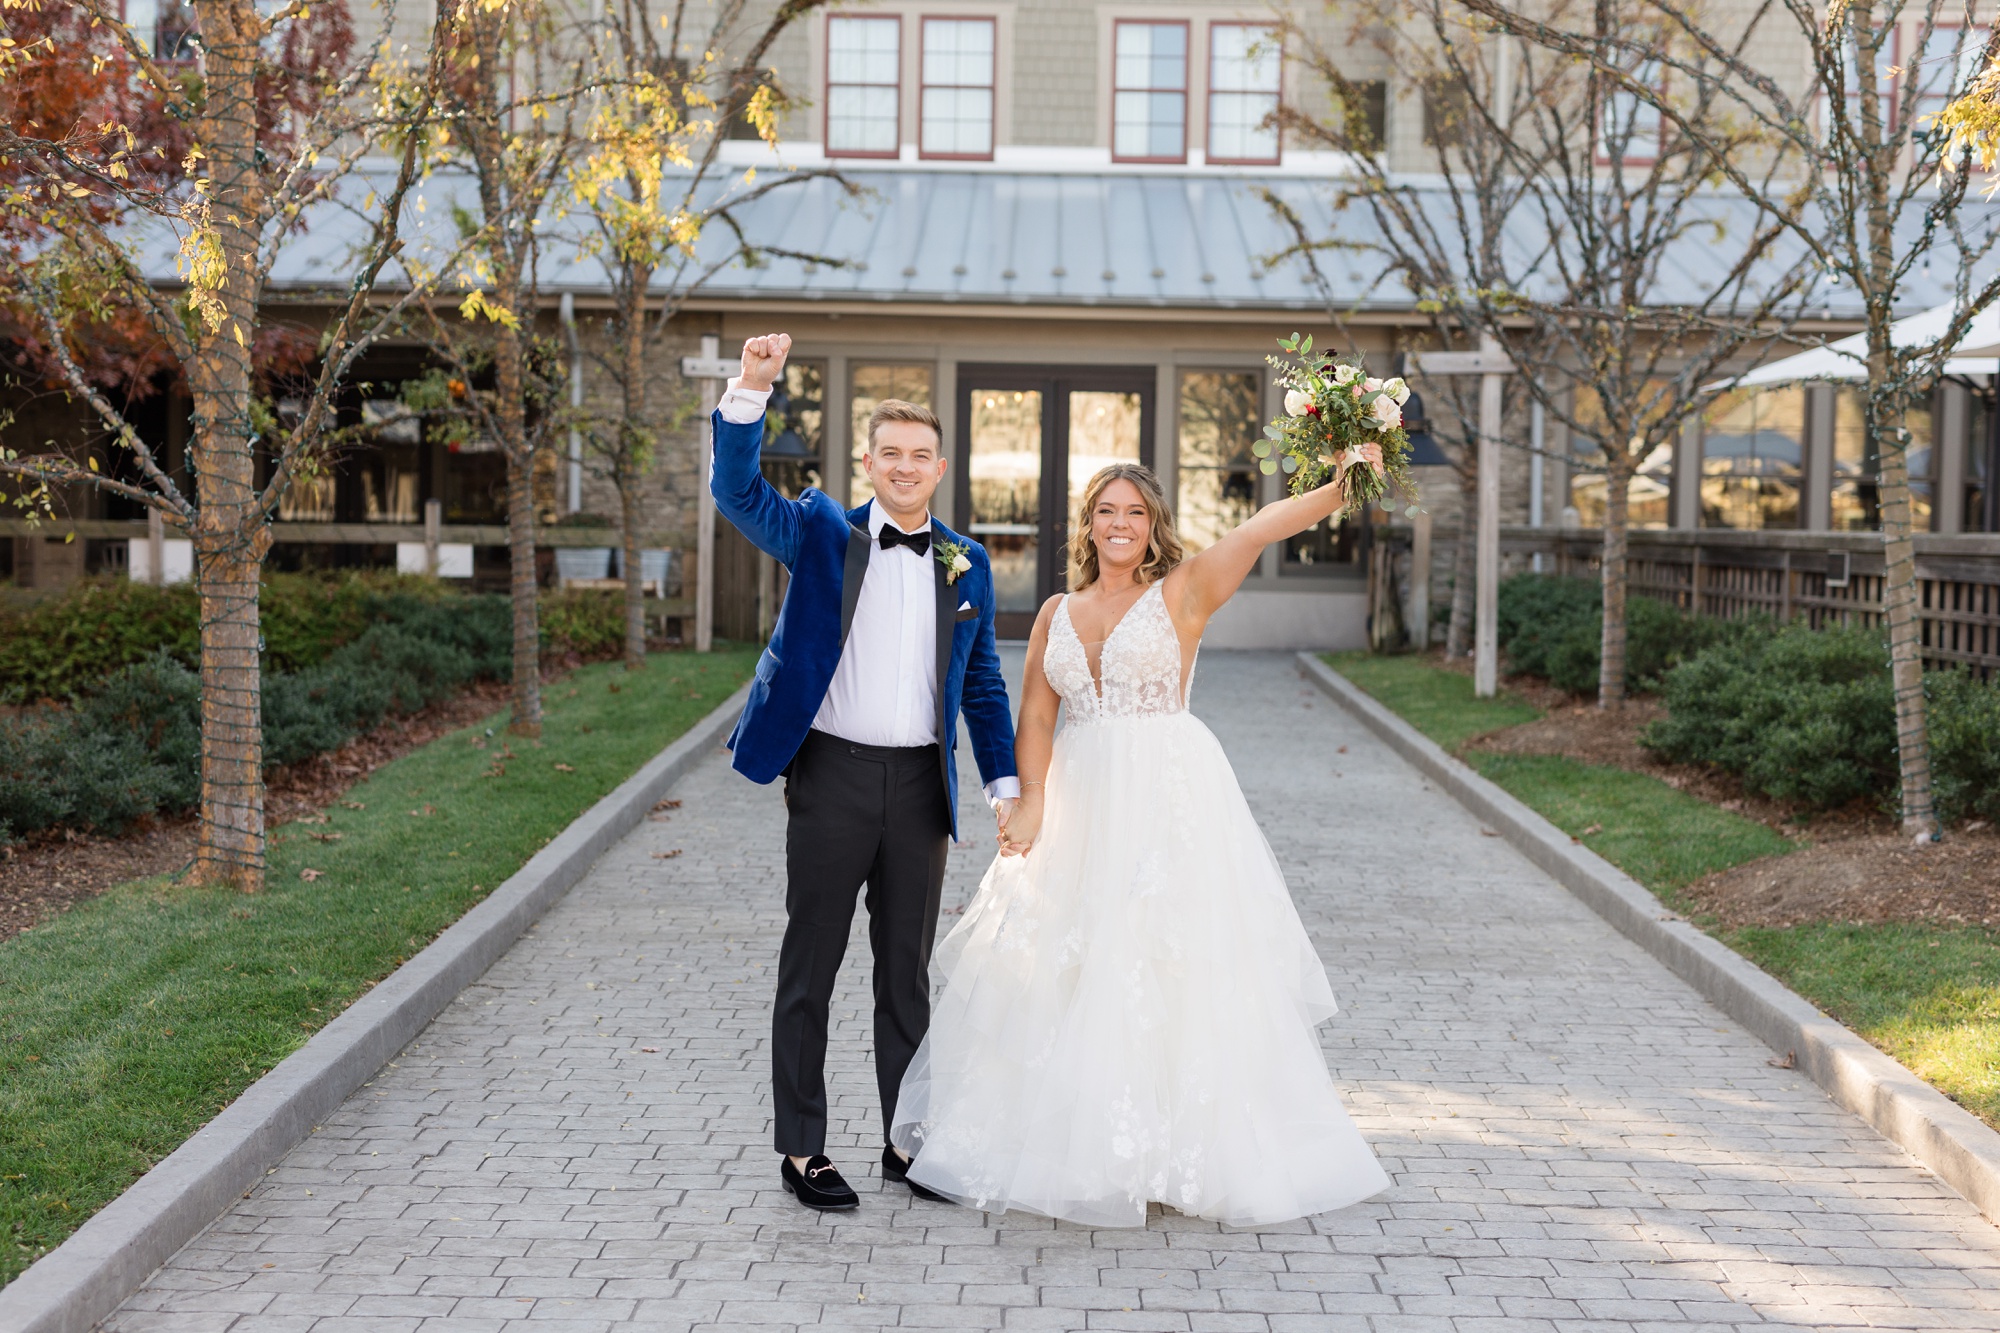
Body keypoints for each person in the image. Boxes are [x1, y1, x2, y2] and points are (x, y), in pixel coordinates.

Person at [889, 456, 1393, 1226]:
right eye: (1104, 511)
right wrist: (1027, 803)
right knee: (1075, 962)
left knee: (1164, 963)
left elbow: (1263, 526)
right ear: (1087, 524)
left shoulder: (1184, 591)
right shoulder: (1057, 609)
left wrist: (1344, 481)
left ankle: (1174, 1151)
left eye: (1133, 512)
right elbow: (1035, 717)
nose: (1118, 524)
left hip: (1166, 798)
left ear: (1153, 524)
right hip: (1082, 804)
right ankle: (1083, 1146)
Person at [710, 333, 1020, 1211]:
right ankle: (802, 1149)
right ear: (870, 461)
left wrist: (1004, 783)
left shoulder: (967, 559)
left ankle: (906, 1141)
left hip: (922, 788)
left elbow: (983, 680)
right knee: (811, 964)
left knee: (904, 975)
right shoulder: (819, 530)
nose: (906, 467)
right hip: (831, 777)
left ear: (940, 465)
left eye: (921, 455)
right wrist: (750, 389)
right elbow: (736, 491)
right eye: (892, 454)